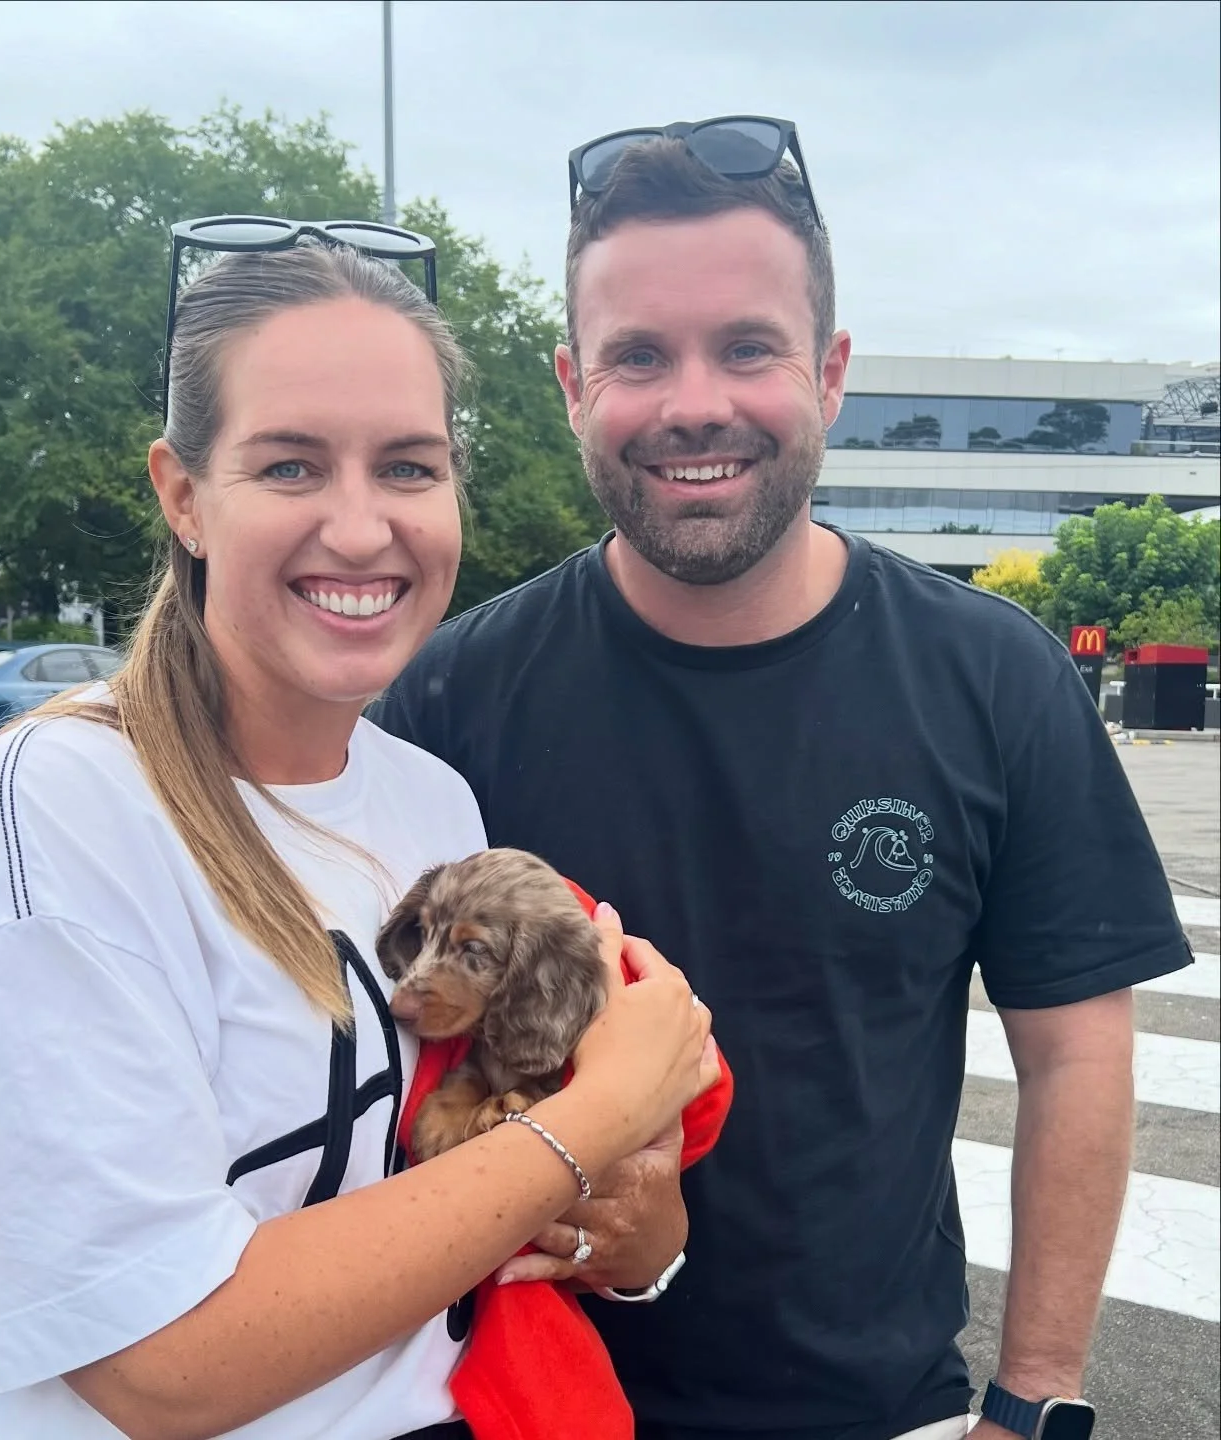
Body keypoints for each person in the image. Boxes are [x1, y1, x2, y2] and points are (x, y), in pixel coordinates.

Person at [368, 121, 1194, 1440]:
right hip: (507, 1399)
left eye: (747, 346)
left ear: (831, 372)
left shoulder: (995, 679)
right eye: (639, 355)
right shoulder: (448, 698)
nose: (695, 401)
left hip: (874, 1411)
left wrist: (1034, 1399)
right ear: (574, 383)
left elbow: (1076, 1057)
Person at [0, 232, 717, 1440]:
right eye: (289, 467)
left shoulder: (432, 803)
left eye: (408, 468)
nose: (362, 527)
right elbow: (165, 1368)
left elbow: (473, 1178)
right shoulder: (68, 808)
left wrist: (639, 1227)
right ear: (183, 495)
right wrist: (592, 1121)